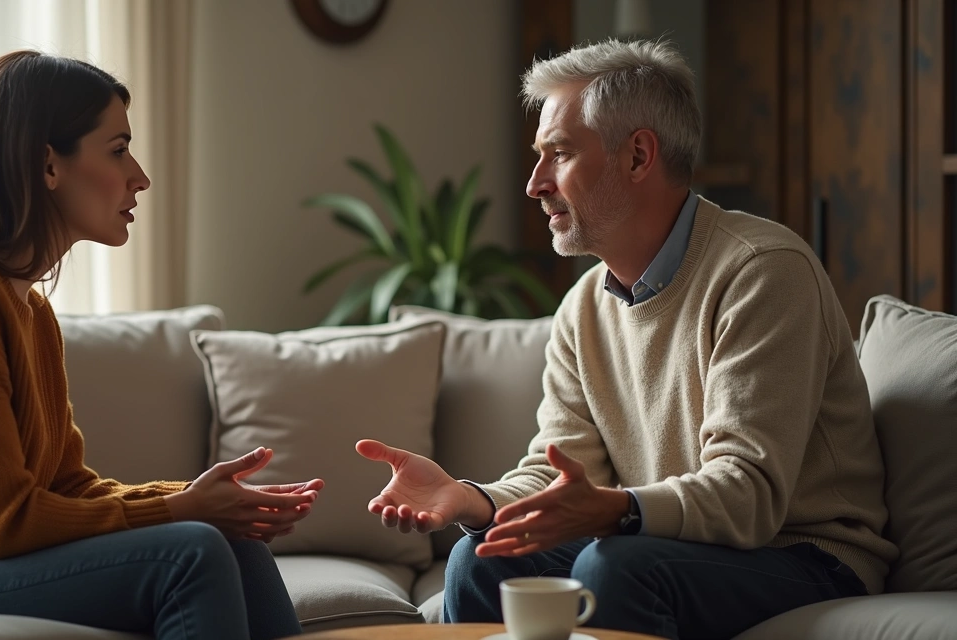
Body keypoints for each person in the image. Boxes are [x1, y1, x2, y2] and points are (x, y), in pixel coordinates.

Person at [357, 38, 896, 640]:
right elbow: (558, 471)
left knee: (615, 565)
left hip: (807, 554)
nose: (535, 183)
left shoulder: (762, 271)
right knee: (483, 558)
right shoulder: (583, 307)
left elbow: (749, 497)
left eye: (558, 154)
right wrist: (471, 500)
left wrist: (618, 511)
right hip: (673, 544)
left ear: (638, 156)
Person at [0, 50, 321, 640]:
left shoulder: (27, 306)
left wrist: (204, 498)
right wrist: (184, 512)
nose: (141, 177)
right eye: (118, 149)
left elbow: (64, 487)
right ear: (47, 163)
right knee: (192, 553)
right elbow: (7, 521)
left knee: (234, 544)